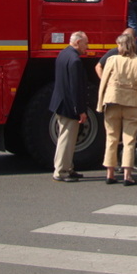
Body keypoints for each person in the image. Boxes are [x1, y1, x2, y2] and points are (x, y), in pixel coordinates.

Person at [97, 33, 137, 186]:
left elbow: (104, 83)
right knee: (130, 140)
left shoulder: (111, 60)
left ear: (120, 46)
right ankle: (127, 174)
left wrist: (100, 102)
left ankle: (110, 174)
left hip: (112, 101)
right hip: (134, 103)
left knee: (111, 138)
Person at [49, 31, 90, 182]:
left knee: (65, 138)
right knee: (67, 139)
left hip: (60, 102)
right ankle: (61, 171)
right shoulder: (75, 61)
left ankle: (68, 167)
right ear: (78, 42)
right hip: (69, 105)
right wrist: (80, 110)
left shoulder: (63, 54)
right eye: (85, 43)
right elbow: (76, 88)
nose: (87, 47)